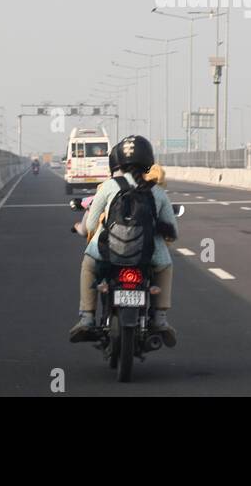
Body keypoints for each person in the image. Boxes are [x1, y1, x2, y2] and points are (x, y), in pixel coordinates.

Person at [69, 135, 179, 345]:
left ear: (119, 161)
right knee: (165, 266)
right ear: (149, 161)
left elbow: (91, 226)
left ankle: (87, 318)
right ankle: (160, 319)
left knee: (88, 266)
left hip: (108, 251)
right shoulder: (157, 191)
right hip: (148, 254)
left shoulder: (109, 187)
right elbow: (172, 232)